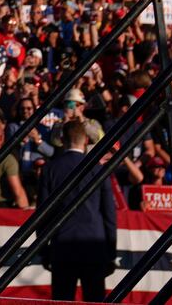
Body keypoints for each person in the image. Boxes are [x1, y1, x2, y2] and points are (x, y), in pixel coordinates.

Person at [34, 121, 117, 302]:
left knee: (63, 299)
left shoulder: (50, 169)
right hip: (94, 245)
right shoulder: (97, 169)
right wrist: (110, 252)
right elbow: (109, 214)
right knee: (94, 299)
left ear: (62, 139)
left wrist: (43, 250)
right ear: (86, 140)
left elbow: (42, 215)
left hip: (62, 246)